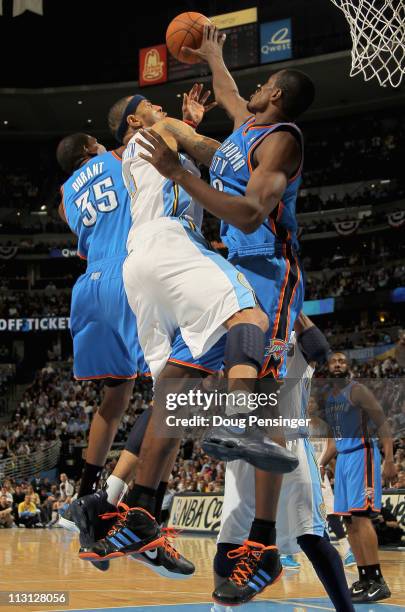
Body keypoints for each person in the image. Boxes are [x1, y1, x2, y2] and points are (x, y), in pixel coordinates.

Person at [133, 24, 314, 605]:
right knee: (178, 381)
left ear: (279, 97)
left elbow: (250, 216)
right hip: (228, 275)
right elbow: (233, 92)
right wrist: (211, 54)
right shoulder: (244, 126)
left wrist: (181, 173)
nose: (252, 88)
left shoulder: (281, 139)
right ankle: (139, 508)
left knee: (262, 400)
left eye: (265, 84)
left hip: (267, 273)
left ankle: (261, 544)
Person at [212, 315, 355, 610]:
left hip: (291, 439)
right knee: (229, 540)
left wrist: (295, 305)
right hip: (246, 440)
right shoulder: (237, 328)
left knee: (313, 537)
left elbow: (321, 351)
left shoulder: (294, 332)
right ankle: (221, 608)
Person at [319, 351, 397, 603]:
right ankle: (364, 579)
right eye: (334, 361)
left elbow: (382, 423)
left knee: (362, 518)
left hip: (362, 455)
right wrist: (321, 463)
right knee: (349, 522)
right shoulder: (330, 399)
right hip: (342, 460)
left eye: (342, 361)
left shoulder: (358, 390)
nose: (339, 364)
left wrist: (389, 459)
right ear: (328, 368)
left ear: (347, 366)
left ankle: (378, 580)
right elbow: (334, 439)